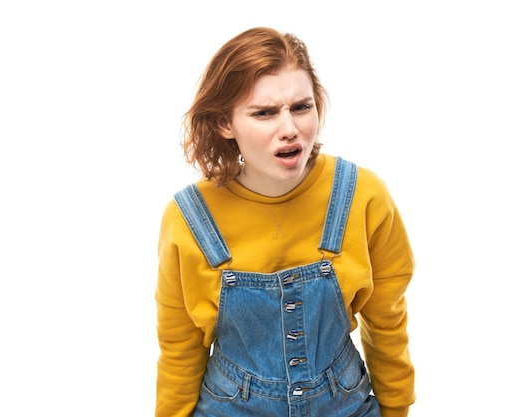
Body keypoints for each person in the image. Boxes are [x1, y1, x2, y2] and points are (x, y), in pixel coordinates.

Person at [155, 27, 415, 417]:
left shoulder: (362, 196)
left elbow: (387, 322)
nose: (290, 128)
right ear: (225, 124)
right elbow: (179, 349)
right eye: (264, 113)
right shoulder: (189, 219)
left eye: (301, 107)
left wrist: (397, 410)